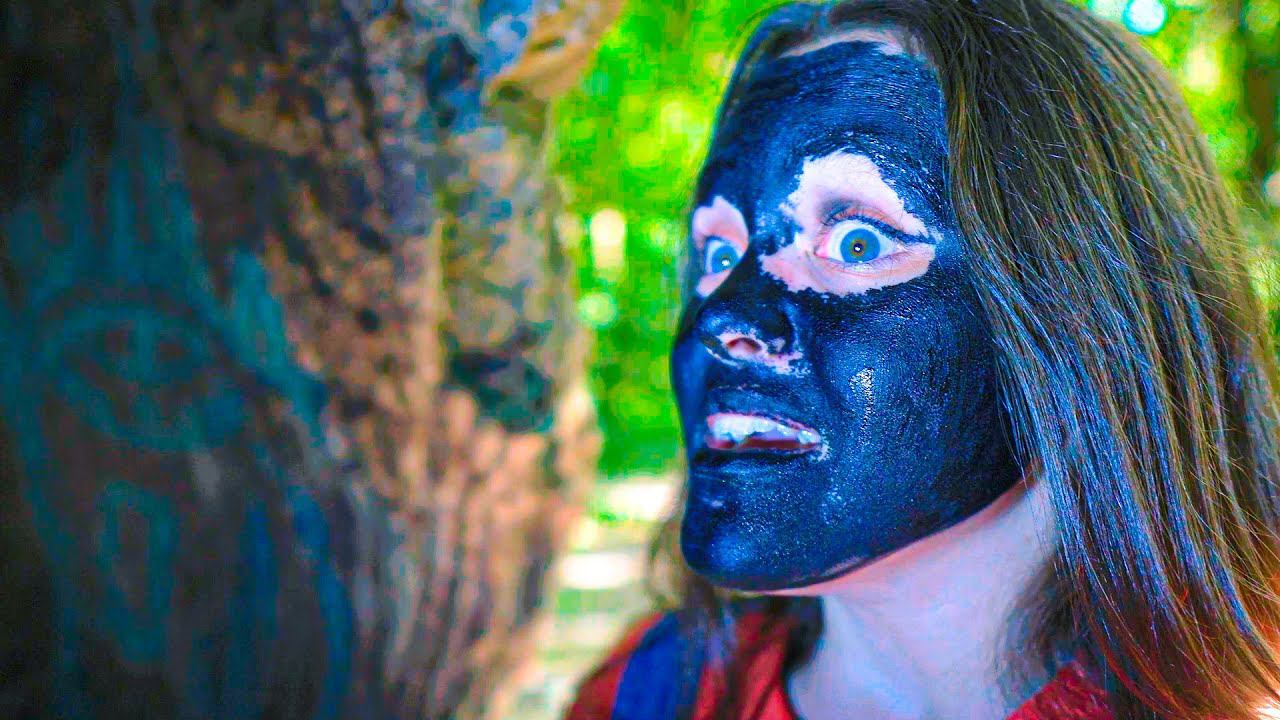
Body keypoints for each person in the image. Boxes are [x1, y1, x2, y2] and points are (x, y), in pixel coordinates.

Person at [565, 0, 1280, 718]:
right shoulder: (645, 693)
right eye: (720, 254)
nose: (721, 319)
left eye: (858, 242)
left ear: (1089, 309)